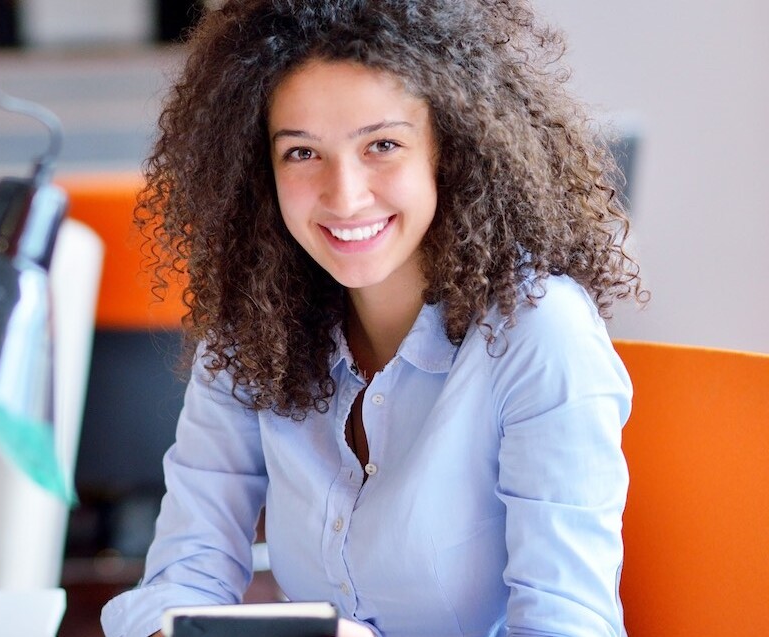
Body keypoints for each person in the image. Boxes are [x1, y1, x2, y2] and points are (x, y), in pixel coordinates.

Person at [100, 1, 647, 636]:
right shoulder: (254, 329)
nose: (345, 196)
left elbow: (565, 627)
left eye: (382, 145)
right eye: (301, 152)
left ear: (450, 150)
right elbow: (182, 578)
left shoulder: (537, 332)